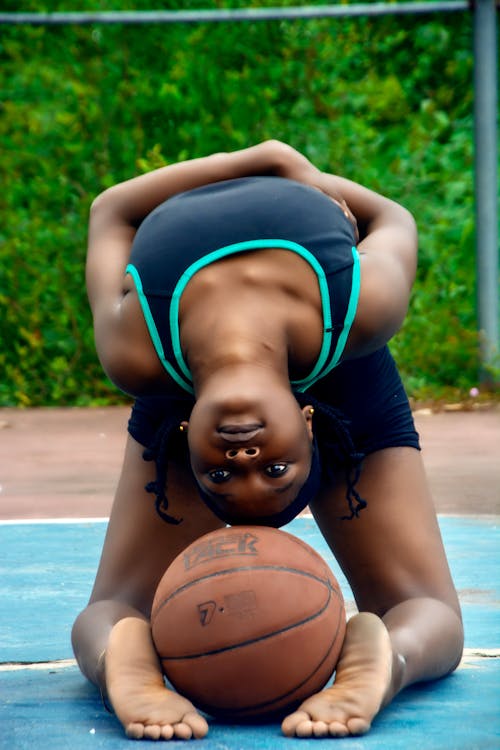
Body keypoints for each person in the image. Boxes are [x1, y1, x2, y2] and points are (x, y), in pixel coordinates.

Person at [72, 139, 463, 741]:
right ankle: (395, 652)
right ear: (309, 425)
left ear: (186, 443)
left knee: (115, 606)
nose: (243, 459)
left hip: (187, 378)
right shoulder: (363, 308)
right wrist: (304, 176)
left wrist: (263, 162)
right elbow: (393, 219)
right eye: (276, 470)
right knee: (425, 603)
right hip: (340, 367)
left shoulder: (137, 352)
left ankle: (119, 652)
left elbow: (110, 210)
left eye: (221, 476)